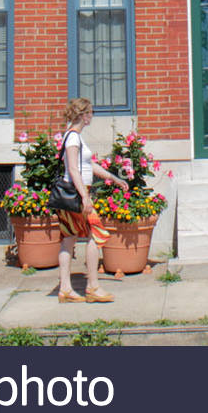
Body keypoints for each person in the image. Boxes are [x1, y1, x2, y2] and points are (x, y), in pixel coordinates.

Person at [55, 97, 127, 303]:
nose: (92, 116)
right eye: (90, 113)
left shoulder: (75, 137)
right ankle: (92, 286)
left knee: (68, 239)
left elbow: (89, 166)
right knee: (96, 234)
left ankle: (66, 289)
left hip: (75, 194)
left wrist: (113, 178)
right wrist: (85, 196)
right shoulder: (73, 138)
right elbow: (73, 169)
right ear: (84, 115)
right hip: (77, 194)